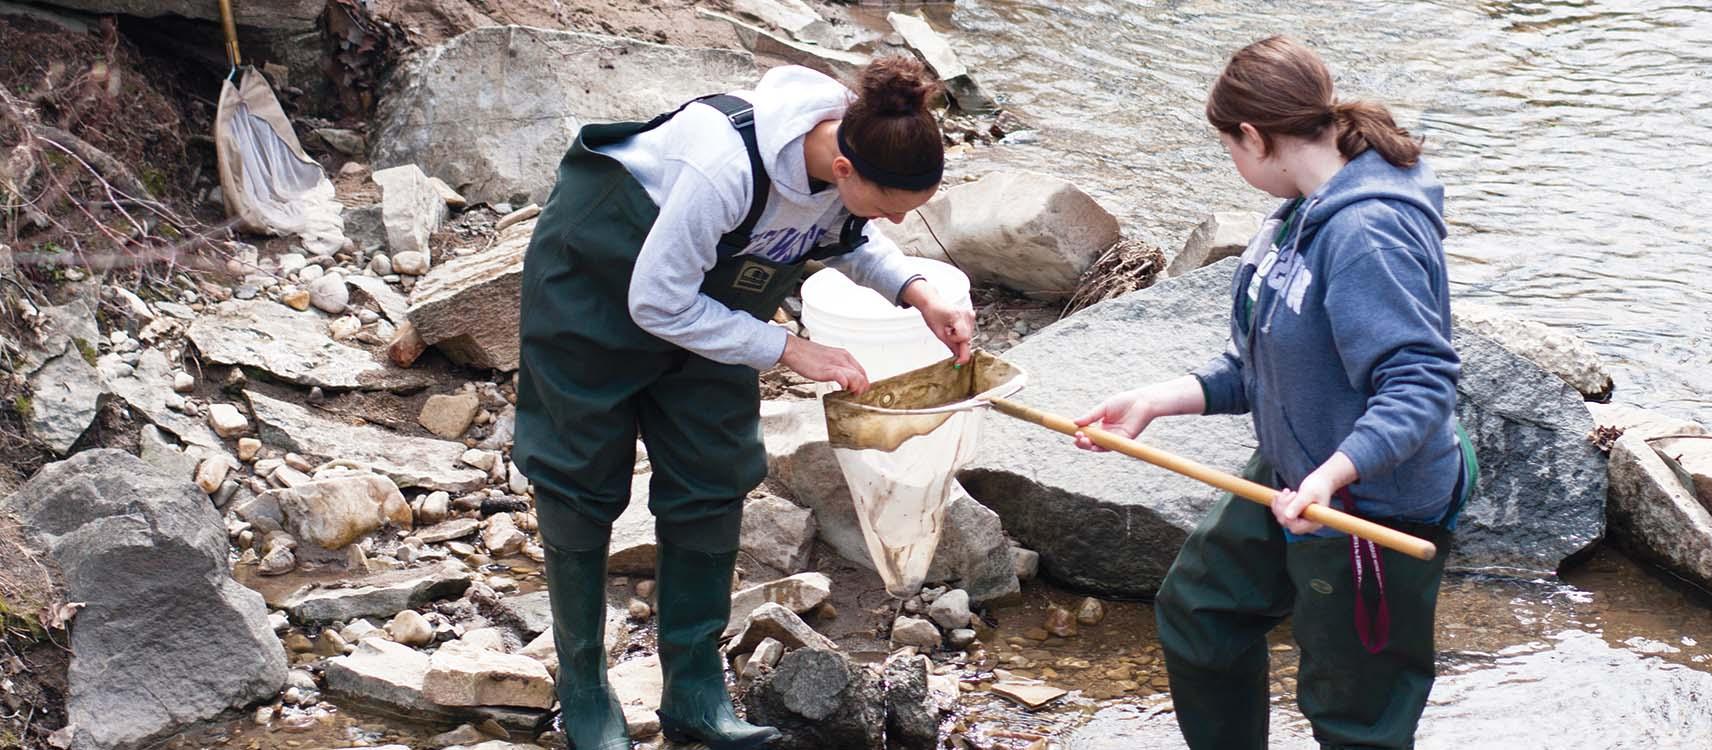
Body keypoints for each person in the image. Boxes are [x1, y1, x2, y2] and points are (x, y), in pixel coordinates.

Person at [512, 58, 974, 750]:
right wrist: (790, 349)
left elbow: (851, 234)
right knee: (579, 476)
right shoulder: (721, 165)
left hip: (709, 304)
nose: (897, 219)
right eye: (892, 205)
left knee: (713, 469)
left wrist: (916, 288)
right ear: (845, 170)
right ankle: (583, 689)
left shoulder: (848, 146)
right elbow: (656, 301)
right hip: (597, 284)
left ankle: (695, 691)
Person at [1072, 36, 1477, 749]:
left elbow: (1421, 386)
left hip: (1369, 504)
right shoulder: (1296, 211)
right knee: (1201, 609)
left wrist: (1330, 477)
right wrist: (1158, 399)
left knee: (1356, 717)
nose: (1233, 163)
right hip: (1298, 469)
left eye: (1229, 147)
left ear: (1255, 137)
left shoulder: (1365, 232)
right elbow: (1262, 363)